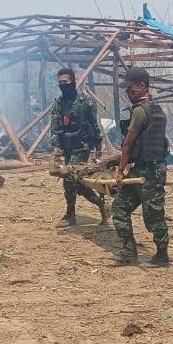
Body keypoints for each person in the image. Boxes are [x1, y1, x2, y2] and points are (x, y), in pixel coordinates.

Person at [112, 67, 169, 267]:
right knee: (119, 207)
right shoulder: (157, 109)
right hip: (144, 169)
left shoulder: (140, 111)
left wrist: (120, 171)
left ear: (142, 86)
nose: (128, 92)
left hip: (150, 172)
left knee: (154, 214)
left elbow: (128, 144)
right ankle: (129, 251)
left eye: (131, 88)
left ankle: (162, 256)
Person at [49, 67, 106, 226]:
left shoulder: (85, 101)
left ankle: (70, 215)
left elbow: (95, 125)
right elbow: (54, 127)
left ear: (73, 82)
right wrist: (56, 146)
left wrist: (98, 148)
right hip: (67, 147)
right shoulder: (59, 104)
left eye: (65, 82)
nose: (62, 85)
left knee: (69, 179)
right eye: (60, 82)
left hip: (82, 146)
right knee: (79, 184)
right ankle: (101, 205)